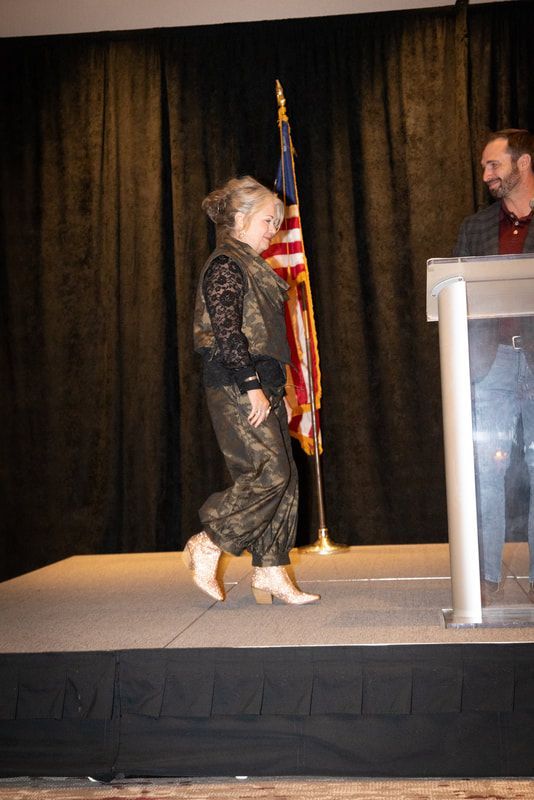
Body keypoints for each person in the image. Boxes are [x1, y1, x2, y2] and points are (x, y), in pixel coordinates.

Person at [183, 175, 320, 605]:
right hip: (237, 385)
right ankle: (209, 541)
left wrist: (279, 389)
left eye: (277, 222)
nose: (273, 230)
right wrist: (251, 387)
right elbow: (227, 336)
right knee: (269, 474)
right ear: (240, 219)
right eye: (267, 220)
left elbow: (265, 338)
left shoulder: (252, 265)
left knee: (286, 479)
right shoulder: (226, 264)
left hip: (264, 384)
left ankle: (270, 569)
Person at [454, 129, 534, 604]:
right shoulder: (477, 227)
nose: (486, 175)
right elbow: (457, 292)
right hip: (493, 362)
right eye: (485, 166)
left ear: (523, 164)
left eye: (494, 165)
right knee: (486, 469)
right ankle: (485, 576)